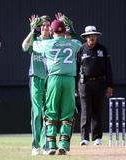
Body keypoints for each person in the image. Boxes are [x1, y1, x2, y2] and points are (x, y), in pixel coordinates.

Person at [33, 20, 80, 155]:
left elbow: (33, 45)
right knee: (67, 113)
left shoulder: (46, 44)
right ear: (64, 31)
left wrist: (34, 30)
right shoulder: (73, 44)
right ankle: (63, 145)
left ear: (52, 32)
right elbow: (79, 42)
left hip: (54, 79)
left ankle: (51, 145)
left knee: (51, 112)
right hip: (70, 80)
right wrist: (71, 28)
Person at [77, 26, 113, 146]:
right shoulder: (81, 49)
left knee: (98, 110)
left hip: (100, 83)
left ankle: (97, 137)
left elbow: (109, 69)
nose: (92, 38)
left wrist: (109, 86)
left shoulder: (103, 49)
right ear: (86, 37)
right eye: (90, 36)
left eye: (94, 36)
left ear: (96, 37)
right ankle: (84, 138)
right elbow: (76, 69)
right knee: (86, 110)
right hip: (84, 84)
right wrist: (75, 87)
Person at [22, 15, 51, 156]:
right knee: (37, 112)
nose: (45, 27)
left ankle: (46, 146)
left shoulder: (53, 41)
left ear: (51, 27)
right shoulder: (35, 39)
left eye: (47, 25)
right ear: (40, 27)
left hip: (50, 80)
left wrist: (68, 28)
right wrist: (32, 31)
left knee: (48, 113)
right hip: (36, 79)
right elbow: (24, 46)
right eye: (43, 25)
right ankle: (35, 145)